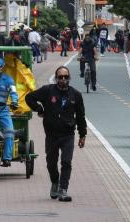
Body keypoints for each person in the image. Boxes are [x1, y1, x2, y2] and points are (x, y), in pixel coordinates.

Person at [25, 66, 87, 202]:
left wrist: (83, 135)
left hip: (68, 134)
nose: (63, 80)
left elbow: (81, 116)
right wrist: (39, 108)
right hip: (52, 134)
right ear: (56, 78)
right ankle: (55, 181)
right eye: (60, 77)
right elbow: (29, 98)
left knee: (66, 162)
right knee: (51, 163)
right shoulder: (48, 91)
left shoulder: (76, 95)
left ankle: (63, 190)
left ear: (69, 78)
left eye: (66, 77)